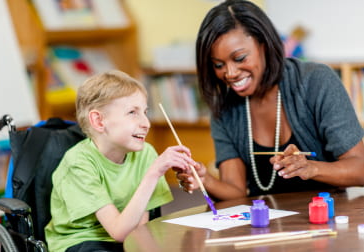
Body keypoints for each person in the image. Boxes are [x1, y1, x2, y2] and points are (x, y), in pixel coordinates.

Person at [178, 0, 364, 199]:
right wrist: (205, 180)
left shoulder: (316, 81)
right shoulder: (225, 106)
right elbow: (236, 191)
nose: (230, 73)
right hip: (264, 225)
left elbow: (360, 169)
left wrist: (311, 168)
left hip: (325, 220)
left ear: (264, 45)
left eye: (240, 58)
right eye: (218, 65)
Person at [44, 70, 197, 252]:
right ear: (99, 121)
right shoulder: (78, 163)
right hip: (81, 240)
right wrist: (153, 174)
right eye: (133, 112)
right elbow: (119, 233)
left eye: (145, 112)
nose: (146, 123)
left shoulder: (145, 153)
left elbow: (138, 231)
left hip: (125, 236)